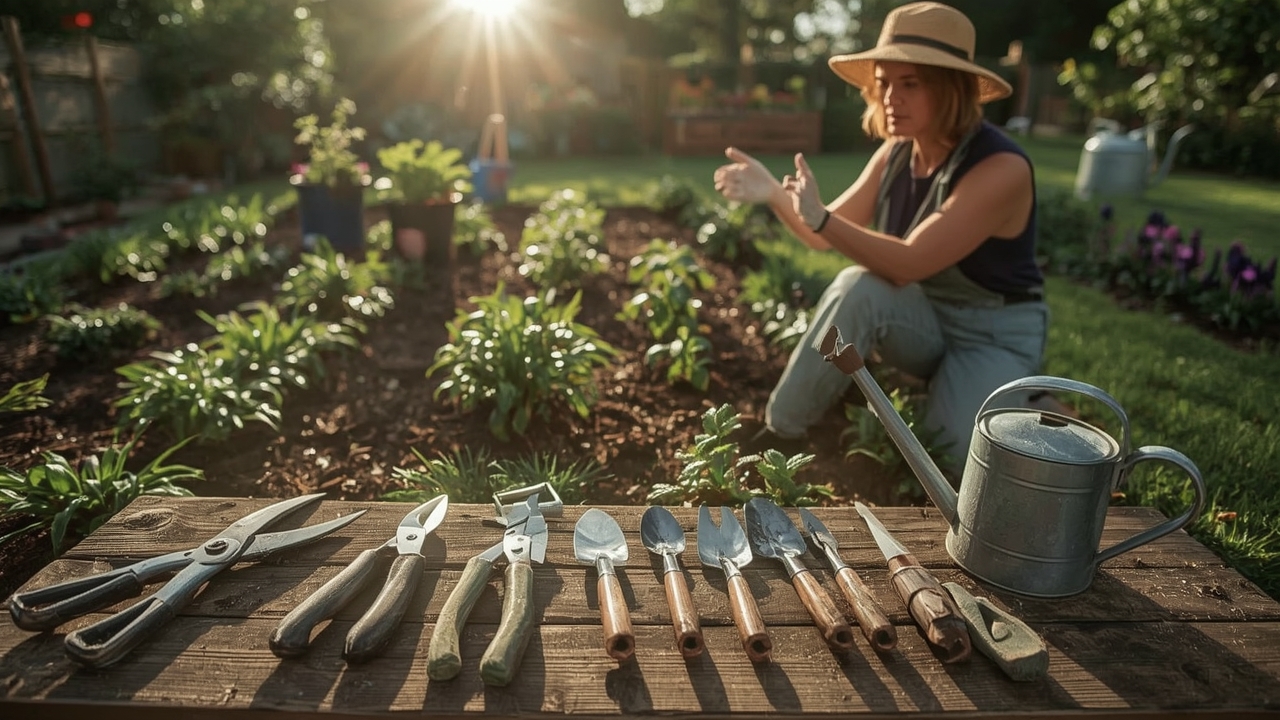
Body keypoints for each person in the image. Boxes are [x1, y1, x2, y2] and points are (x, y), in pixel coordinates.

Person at [713, 1, 1047, 466]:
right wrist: (773, 192)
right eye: (885, 83)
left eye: (910, 83)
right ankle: (781, 434)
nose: (891, 97)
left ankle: (1030, 399)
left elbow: (910, 260)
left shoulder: (1001, 167)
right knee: (858, 285)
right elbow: (820, 235)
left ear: (952, 88)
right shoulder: (894, 154)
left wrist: (823, 218)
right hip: (924, 315)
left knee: (947, 454)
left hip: (991, 334)